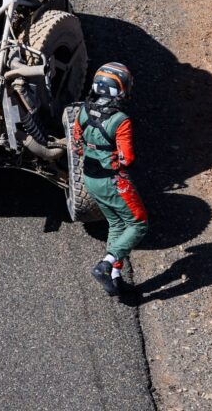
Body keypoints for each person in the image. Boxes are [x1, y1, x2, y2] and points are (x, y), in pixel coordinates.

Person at [72, 62, 148, 296]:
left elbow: (77, 144)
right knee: (138, 224)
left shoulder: (83, 111)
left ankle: (115, 277)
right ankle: (105, 265)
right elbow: (127, 158)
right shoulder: (121, 119)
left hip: (89, 178)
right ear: (121, 89)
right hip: (112, 181)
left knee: (116, 224)